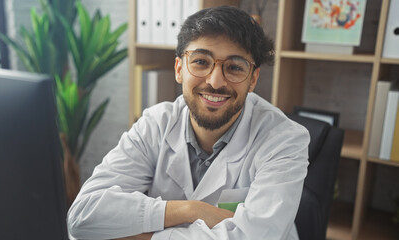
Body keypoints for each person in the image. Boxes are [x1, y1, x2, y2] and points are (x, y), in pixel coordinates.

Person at [67, 5, 309, 240]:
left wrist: (139, 235)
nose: (215, 82)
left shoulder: (284, 139)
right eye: (201, 62)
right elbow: (83, 216)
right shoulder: (155, 125)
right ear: (179, 68)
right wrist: (191, 210)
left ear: (253, 79)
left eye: (234, 67)